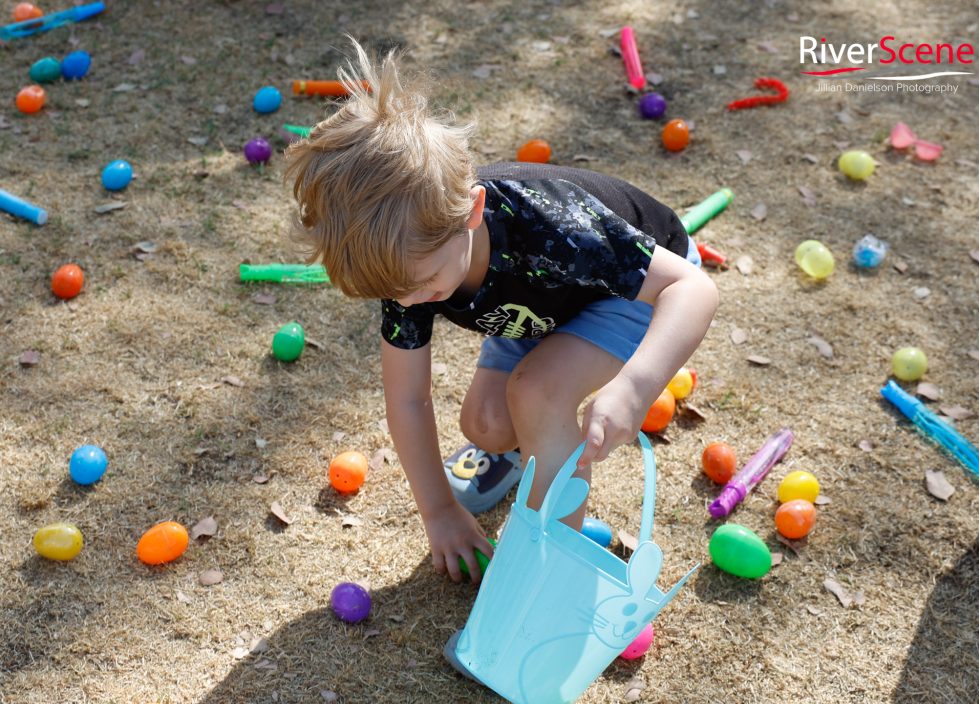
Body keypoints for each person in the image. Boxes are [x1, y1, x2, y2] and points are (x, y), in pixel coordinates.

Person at [285, 40, 719, 582]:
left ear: (472, 213)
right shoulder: (408, 267)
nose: (407, 303)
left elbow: (693, 289)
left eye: (422, 284)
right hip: (540, 303)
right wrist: (439, 512)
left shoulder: (553, 226)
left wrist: (635, 388)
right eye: (395, 293)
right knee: (487, 424)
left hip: (632, 289)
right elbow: (408, 398)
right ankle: (536, 451)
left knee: (537, 394)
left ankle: (549, 566)